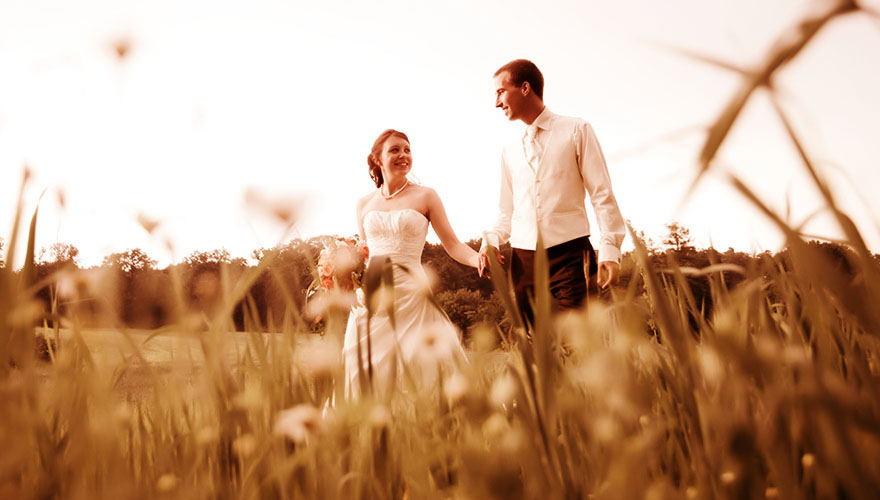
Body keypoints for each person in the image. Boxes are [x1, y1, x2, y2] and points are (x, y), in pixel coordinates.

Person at [479, 59, 625, 327]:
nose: (496, 102)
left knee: (578, 344)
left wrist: (609, 248)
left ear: (525, 88)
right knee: (537, 350)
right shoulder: (509, 150)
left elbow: (602, 194)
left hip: (571, 256)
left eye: (500, 92)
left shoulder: (577, 130)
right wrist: (490, 241)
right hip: (523, 263)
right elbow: (506, 211)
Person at [342, 129, 479, 397]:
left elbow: (452, 244)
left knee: (420, 367)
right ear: (377, 159)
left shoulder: (426, 196)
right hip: (373, 296)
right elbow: (365, 251)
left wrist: (478, 259)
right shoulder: (363, 204)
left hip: (412, 295)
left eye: (407, 149)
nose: (403, 155)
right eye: (394, 150)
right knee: (364, 369)